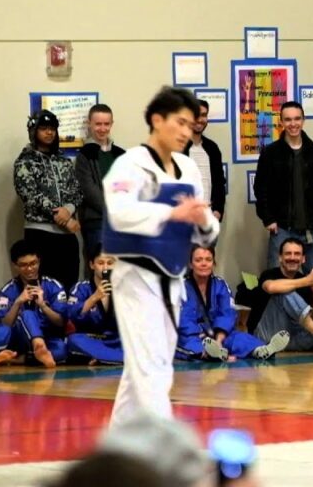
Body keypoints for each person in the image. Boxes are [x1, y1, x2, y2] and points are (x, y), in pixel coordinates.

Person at [101, 86, 220, 426]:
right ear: (157, 120)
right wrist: (170, 214)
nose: (187, 131)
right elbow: (119, 213)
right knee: (152, 370)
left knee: (146, 368)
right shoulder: (130, 165)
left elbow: (205, 228)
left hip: (172, 279)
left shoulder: (188, 167)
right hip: (135, 278)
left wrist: (201, 219)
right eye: (180, 123)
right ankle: (168, 453)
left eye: (190, 124)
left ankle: (117, 451)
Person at [175, 245, 290, 362]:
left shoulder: (220, 285)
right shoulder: (180, 288)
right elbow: (185, 320)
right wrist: (207, 339)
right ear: (190, 264)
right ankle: (209, 354)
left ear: (214, 263)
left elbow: (227, 313)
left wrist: (219, 340)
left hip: (218, 334)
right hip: (192, 336)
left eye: (208, 260)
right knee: (191, 344)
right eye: (198, 260)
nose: (204, 264)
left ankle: (259, 350)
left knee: (239, 338)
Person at [254, 101, 313, 271]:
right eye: (288, 120)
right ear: (281, 122)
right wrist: (268, 218)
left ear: (303, 120)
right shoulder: (270, 153)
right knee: (277, 279)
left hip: (311, 227)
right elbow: (261, 188)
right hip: (281, 228)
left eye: (297, 119)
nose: (293, 124)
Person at [14, 109, 83, 290]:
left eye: (52, 128)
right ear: (34, 131)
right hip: (39, 235)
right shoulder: (24, 162)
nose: (49, 132)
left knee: (69, 286)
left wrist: (68, 210)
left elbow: (76, 191)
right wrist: (62, 218)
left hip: (66, 239)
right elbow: (30, 195)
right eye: (44, 128)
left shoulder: (64, 161)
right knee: (42, 288)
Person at [0, 239, 69, 368]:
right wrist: (18, 302)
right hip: (19, 340)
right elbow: (4, 326)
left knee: (62, 350)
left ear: (39, 261)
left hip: (47, 337)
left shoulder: (53, 286)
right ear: (15, 266)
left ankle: (22, 359)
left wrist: (43, 306)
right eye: (23, 265)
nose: (30, 269)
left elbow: (60, 322)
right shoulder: (7, 290)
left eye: (33, 263)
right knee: (28, 314)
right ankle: (37, 348)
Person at [74, 103, 125, 266]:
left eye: (106, 124)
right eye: (98, 124)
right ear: (90, 124)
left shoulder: (121, 154)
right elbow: (89, 191)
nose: (102, 128)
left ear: (111, 124)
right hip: (96, 222)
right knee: (99, 268)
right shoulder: (84, 155)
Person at [66, 248, 124, 365]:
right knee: (74, 340)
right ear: (92, 265)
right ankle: (121, 359)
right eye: (101, 263)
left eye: (110, 263)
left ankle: (101, 358)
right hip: (92, 339)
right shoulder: (81, 287)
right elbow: (71, 315)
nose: (105, 268)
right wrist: (95, 297)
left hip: (117, 339)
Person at [183, 97, 227, 223]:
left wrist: (218, 211)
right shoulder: (176, 148)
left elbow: (219, 183)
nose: (200, 119)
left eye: (203, 115)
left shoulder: (212, 148)